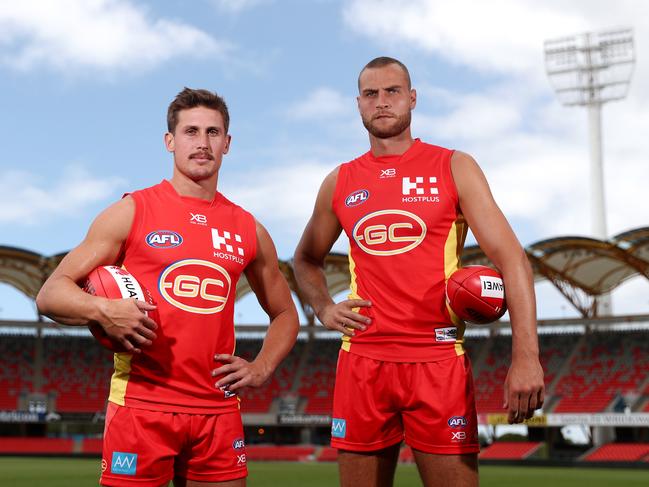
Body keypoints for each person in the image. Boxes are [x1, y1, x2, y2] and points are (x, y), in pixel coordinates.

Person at [293, 57, 545, 487]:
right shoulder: (340, 181)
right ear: (358, 105)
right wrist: (322, 307)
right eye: (371, 94)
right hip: (363, 362)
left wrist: (526, 357)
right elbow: (305, 259)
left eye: (393, 91)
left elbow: (512, 260)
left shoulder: (453, 166)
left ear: (412, 98)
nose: (382, 102)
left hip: (438, 361)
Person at [36, 88, 299, 487]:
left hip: (218, 410)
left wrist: (261, 366)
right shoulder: (131, 211)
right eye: (191, 131)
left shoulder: (248, 229)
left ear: (227, 144)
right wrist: (104, 310)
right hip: (142, 405)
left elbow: (284, 313)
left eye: (213, 133)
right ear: (170, 141)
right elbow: (50, 294)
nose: (202, 143)